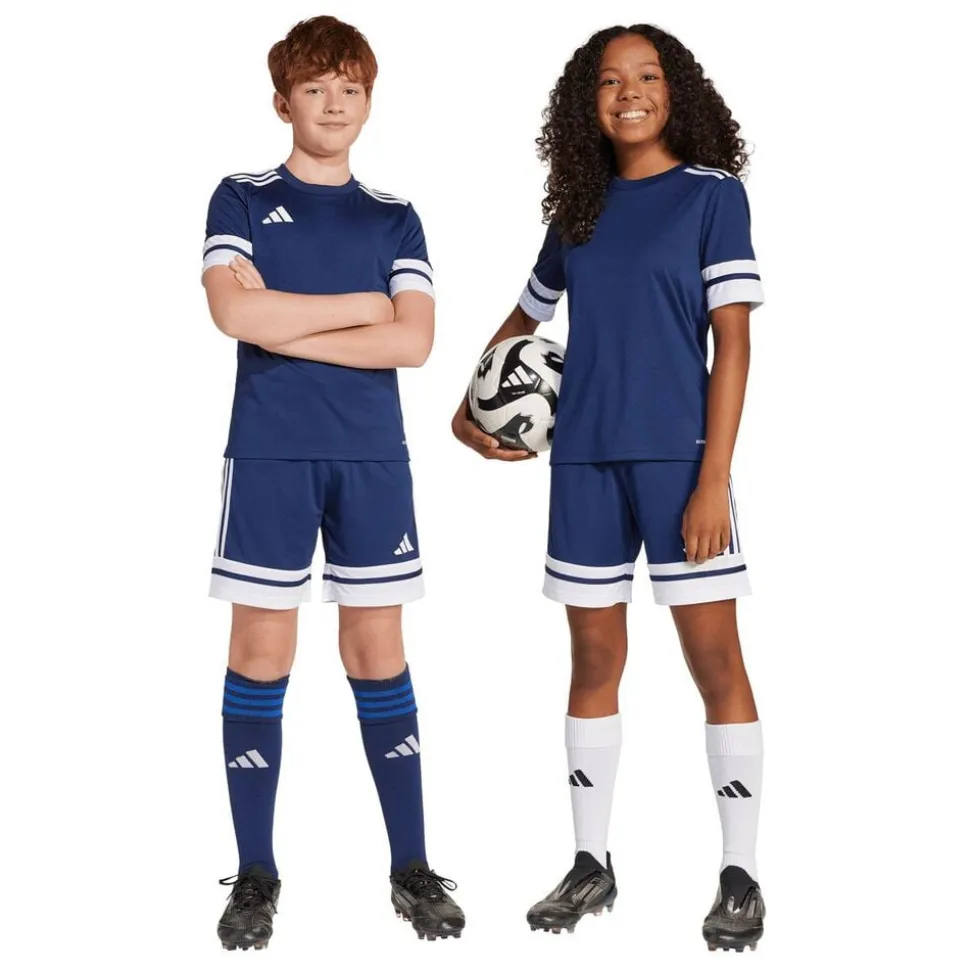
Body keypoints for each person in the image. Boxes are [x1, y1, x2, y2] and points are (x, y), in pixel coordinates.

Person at [452, 24, 765, 951]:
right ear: (583, 104)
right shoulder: (578, 212)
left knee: (715, 660)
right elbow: (522, 321)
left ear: (678, 91)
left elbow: (734, 345)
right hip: (583, 460)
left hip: (679, 462)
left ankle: (740, 873)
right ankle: (592, 862)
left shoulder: (713, 196)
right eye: (608, 80)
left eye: (648, 76)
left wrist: (713, 479)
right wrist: (468, 413)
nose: (629, 92)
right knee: (592, 660)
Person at [202, 15, 464, 950]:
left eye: (350, 87)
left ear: (369, 100)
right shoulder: (240, 196)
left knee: (376, 651)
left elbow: (415, 341)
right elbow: (234, 316)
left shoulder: (394, 215)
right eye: (315, 87)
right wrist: (361, 306)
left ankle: (411, 867)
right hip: (270, 453)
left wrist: (288, 320)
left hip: (371, 456)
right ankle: (256, 874)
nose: (334, 103)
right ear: (284, 101)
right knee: (261, 652)